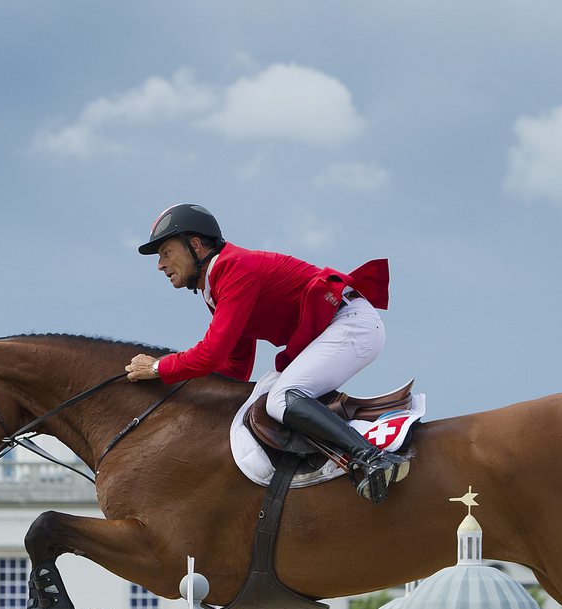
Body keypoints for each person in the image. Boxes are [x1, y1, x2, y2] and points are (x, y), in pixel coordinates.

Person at [124, 203, 406, 503]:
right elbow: (235, 367)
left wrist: (159, 368)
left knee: (282, 398)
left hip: (351, 325)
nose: (160, 265)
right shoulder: (217, 286)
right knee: (264, 395)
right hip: (336, 327)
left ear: (195, 245)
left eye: (166, 253)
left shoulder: (234, 268)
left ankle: (372, 458)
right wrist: (181, 389)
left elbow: (211, 352)